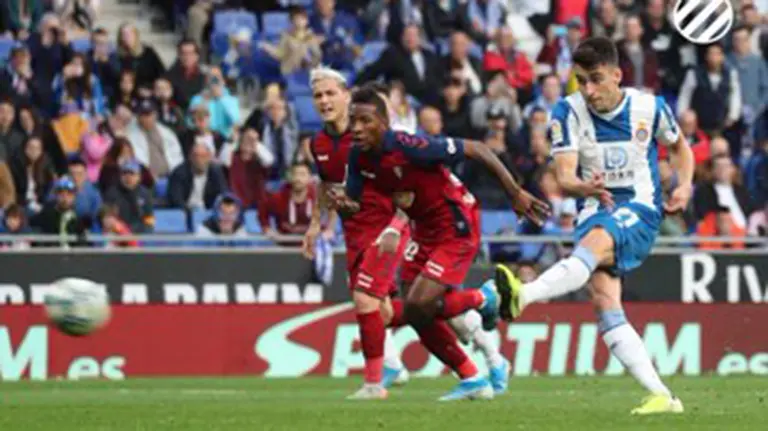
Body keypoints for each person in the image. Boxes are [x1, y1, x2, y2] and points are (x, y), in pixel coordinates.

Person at [494, 37, 694, 414]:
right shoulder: (567, 112)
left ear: (617, 75)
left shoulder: (649, 108)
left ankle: (524, 295)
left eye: (596, 79)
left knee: (596, 244)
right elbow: (565, 176)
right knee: (604, 301)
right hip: (592, 206)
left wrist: (683, 185)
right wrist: (582, 186)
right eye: (581, 80)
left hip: (639, 206)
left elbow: (680, 148)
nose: (588, 89)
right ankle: (662, 396)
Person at [336, 86, 548, 401]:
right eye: (353, 120)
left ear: (384, 121)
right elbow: (354, 201)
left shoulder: (410, 146)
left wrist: (514, 192)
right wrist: (342, 204)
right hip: (422, 230)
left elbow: (477, 148)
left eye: (365, 121)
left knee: (418, 306)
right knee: (418, 311)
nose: (356, 128)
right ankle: (473, 373)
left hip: (455, 224)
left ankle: (482, 302)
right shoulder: (358, 155)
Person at [304, 69, 488, 401]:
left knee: (365, 299)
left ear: (347, 94)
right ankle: (477, 346)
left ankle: (375, 382)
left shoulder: (383, 134)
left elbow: (410, 187)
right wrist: (318, 223)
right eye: (318, 96)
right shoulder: (317, 143)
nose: (324, 101)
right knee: (388, 312)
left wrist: (397, 226)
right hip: (355, 232)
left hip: (387, 230)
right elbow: (329, 186)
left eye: (330, 93)